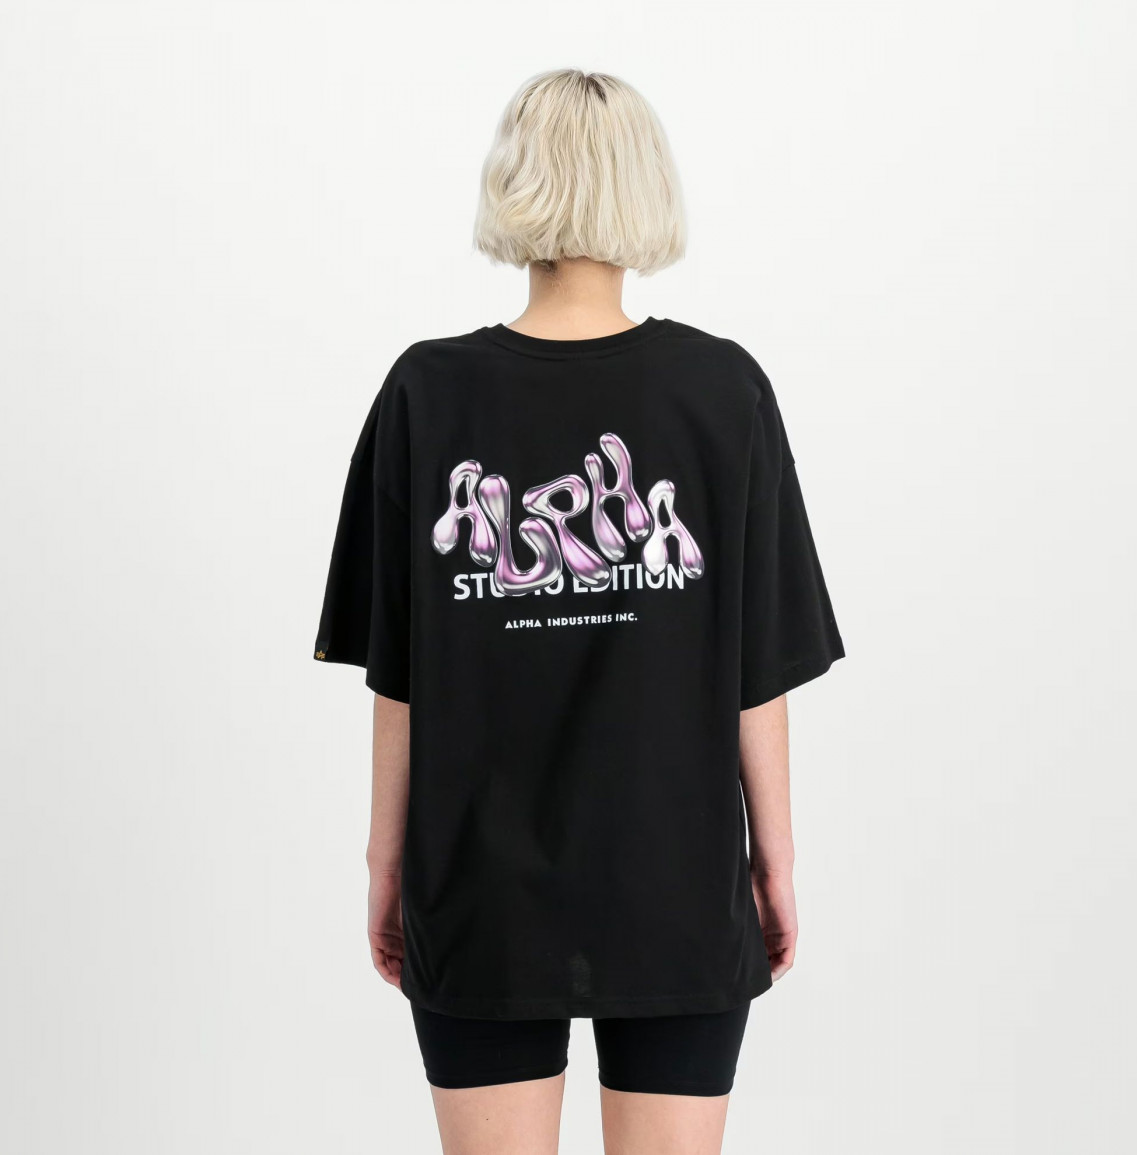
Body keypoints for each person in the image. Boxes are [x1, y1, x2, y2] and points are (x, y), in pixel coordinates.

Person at [313, 68, 844, 1155]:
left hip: (479, 890)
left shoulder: (428, 392)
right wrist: (775, 859)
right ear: (645, 185)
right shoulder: (721, 390)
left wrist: (385, 861)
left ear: (512, 181)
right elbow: (757, 670)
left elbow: (397, 673)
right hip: (678, 883)